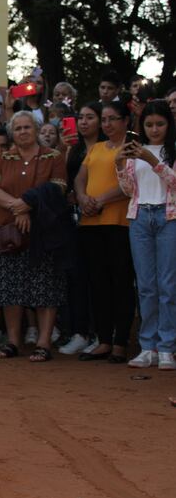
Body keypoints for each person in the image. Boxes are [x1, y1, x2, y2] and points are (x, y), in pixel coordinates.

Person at [0, 111, 68, 362]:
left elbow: (58, 190)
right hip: (9, 231)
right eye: (18, 128)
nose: (23, 132)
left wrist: (28, 207)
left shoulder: (53, 157)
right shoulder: (3, 157)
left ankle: (44, 342)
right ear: (13, 132)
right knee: (11, 288)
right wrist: (17, 206)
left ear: (36, 129)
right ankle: (13, 341)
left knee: (45, 288)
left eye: (27, 127)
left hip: (44, 232)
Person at [116, 100, 176, 370]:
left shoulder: (171, 150)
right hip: (140, 217)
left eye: (160, 124)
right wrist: (120, 164)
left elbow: (174, 183)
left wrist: (153, 161)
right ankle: (147, 346)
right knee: (146, 286)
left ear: (169, 125)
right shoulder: (134, 151)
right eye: (149, 124)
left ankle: (166, 347)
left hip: (168, 216)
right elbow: (129, 189)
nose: (154, 129)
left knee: (168, 285)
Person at [74, 101, 135, 364]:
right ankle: (103, 341)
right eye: (105, 119)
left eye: (113, 119)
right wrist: (82, 197)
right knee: (98, 283)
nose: (108, 124)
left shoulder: (131, 148)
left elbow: (129, 185)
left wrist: (99, 200)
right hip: (91, 223)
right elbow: (79, 178)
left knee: (120, 283)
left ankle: (120, 343)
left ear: (125, 121)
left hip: (119, 222)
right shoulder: (97, 147)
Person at [58, 101, 105, 356]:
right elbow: (66, 183)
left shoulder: (107, 148)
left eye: (90, 117)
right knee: (76, 278)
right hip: (76, 220)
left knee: (100, 278)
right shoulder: (73, 151)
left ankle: (101, 333)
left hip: (105, 218)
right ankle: (79, 333)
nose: (84, 122)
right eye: (81, 118)